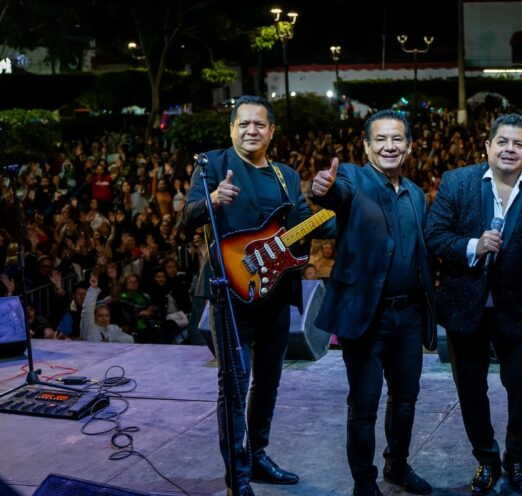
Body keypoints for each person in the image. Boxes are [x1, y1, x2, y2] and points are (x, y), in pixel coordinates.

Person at [178, 95, 334, 496]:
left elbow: (302, 226)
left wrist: (334, 206)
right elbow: (186, 217)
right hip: (230, 294)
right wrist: (210, 200)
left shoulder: (284, 175)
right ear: (232, 129)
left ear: (272, 131)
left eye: (259, 125)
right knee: (233, 384)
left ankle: (259, 455)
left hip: (276, 295)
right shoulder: (211, 165)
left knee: (269, 382)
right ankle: (239, 476)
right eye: (244, 124)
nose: (251, 130)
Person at [425, 113, 522, 495]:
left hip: (512, 308)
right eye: (503, 142)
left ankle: (517, 457)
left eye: (518, 144)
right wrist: (472, 246)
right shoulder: (457, 182)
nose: (509, 149)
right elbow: (433, 237)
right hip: (465, 306)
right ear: (488, 147)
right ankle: (485, 459)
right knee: (471, 390)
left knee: (520, 386)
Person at [309, 109, 436, 496]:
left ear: (409, 146)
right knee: (364, 405)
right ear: (366, 146)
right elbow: (335, 194)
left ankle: (397, 466)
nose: (389, 146)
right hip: (367, 314)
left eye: (397, 139)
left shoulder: (416, 194)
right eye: (380, 139)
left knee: (406, 400)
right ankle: (364, 482)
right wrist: (323, 188)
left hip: (409, 314)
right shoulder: (352, 177)